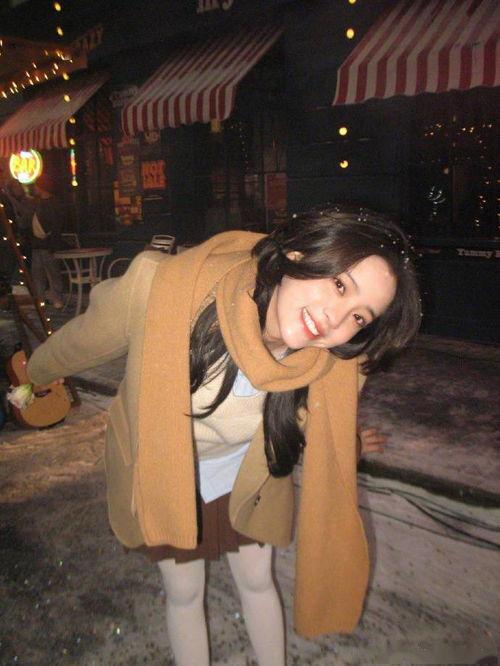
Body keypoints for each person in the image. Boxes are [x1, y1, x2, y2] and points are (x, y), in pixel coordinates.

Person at [25, 205, 421, 665]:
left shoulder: (330, 364)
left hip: (243, 473)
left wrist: (348, 446)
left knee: (257, 580)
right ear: (299, 253)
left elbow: (322, 429)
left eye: (359, 317)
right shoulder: (166, 289)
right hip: (167, 466)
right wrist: (35, 375)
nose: (336, 320)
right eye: (339, 285)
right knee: (185, 592)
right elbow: (86, 338)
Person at [30, 174, 64, 308]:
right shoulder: (42, 202)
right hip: (41, 243)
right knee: (42, 272)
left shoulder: (46, 203)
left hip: (45, 243)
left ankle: (52, 298)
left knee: (49, 272)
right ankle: (47, 298)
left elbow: (54, 223)